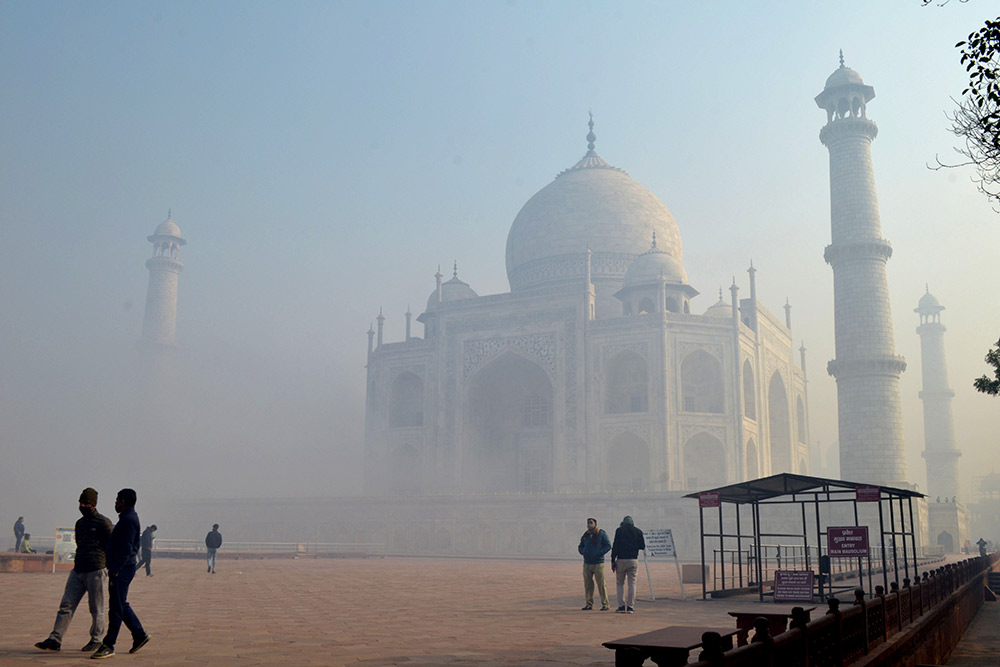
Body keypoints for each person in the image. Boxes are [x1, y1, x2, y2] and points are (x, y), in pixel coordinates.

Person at [35, 488, 114, 652]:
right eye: (80, 503)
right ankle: (55, 639)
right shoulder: (80, 523)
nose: (82, 506)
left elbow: (112, 545)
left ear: (93, 505)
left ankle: (97, 639)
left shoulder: (103, 523)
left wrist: (109, 565)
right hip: (78, 570)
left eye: (85, 503)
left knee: (96, 607)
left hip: (96, 570)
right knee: (66, 605)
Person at [90, 489, 150, 659]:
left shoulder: (128, 521)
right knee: (120, 603)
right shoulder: (127, 518)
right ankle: (139, 634)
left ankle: (109, 644)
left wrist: (116, 569)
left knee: (116, 607)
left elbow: (126, 548)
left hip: (122, 569)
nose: (115, 502)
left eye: (117, 500)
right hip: (122, 567)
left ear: (123, 501)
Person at [610, 515, 645, 614]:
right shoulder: (638, 531)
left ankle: (621, 606)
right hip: (633, 560)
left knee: (620, 583)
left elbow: (615, 546)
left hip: (621, 559)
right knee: (632, 584)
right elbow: (642, 546)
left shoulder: (619, 531)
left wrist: (612, 560)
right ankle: (630, 607)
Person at [577, 517, 611, 611]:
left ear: (595, 524)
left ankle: (605, 604)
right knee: (588, 585)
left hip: (598, 563)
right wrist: (583, 551)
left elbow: (608, 545)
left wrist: (599, 553)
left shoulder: (601, 533)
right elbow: (581, 545)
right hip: (587, 563)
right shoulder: (586, 535)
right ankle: (589, 603)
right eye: (588, 522)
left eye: (591, 522)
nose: (589, 524)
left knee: (601, 584)